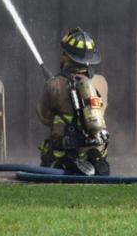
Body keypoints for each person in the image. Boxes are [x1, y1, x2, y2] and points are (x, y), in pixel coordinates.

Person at [37, 27, 110, 176]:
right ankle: (95, 159)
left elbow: (43, 115)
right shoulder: (101, 82)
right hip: (97, 145)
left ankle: (67, 163)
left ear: (67, 57)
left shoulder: (54, 85)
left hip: (64, 150)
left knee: (51, 152)